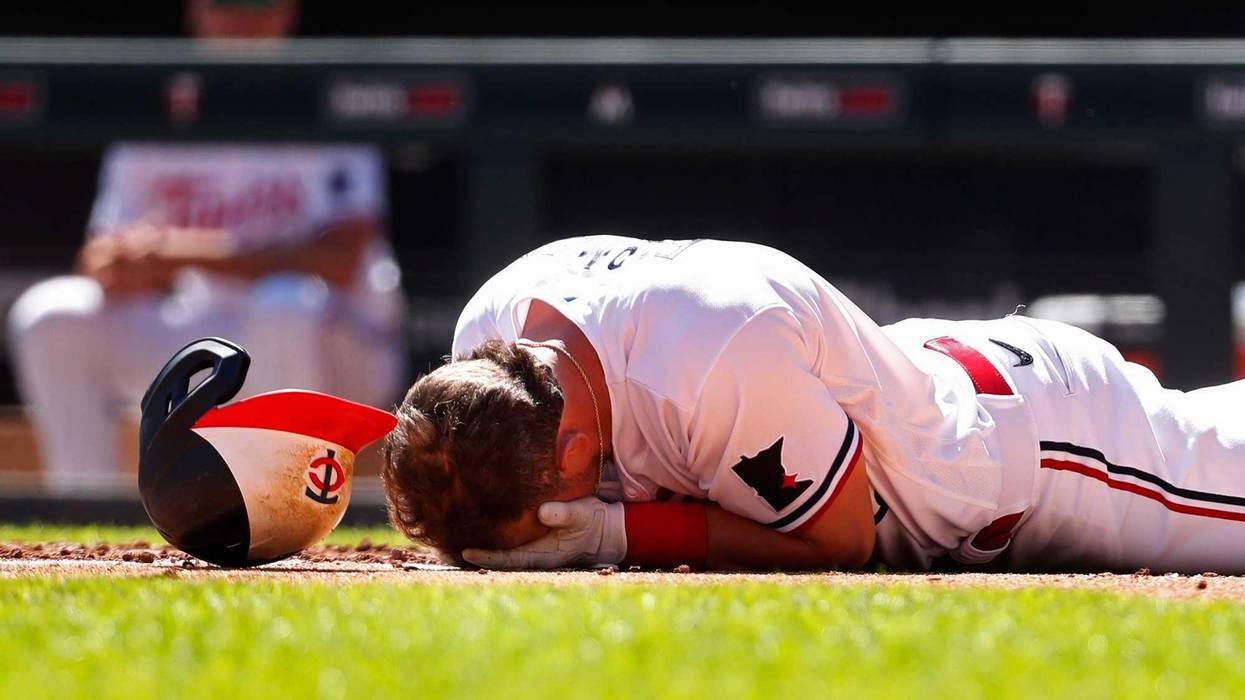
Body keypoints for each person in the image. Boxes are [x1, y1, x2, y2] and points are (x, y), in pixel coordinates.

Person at [381, 235, 1245, 574]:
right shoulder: (490, 325)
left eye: (549, 507)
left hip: (1049, 452)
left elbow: (842, 541)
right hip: (934, 386)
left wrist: (613, 533)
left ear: (572, 455)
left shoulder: (709, 360)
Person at [7, 0, 405, 489]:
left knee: (285, 303)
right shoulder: (162, 112)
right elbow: (99, 259)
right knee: (52, 314)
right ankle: (87, 505)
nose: (242, 22)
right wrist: (128, 265)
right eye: (226, 5)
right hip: (210, 329)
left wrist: (181, 250)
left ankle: (292, 501)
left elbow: (340, 260)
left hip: (339, 343)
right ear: (197, 10)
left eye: (257, 7)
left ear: (286, 11)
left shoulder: (321, 99)